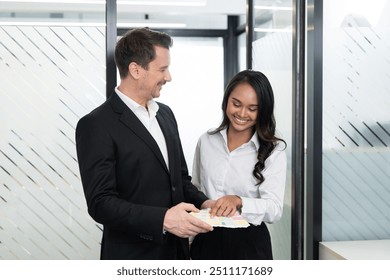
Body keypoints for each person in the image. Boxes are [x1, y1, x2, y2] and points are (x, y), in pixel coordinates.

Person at [75, 27, 214, 260]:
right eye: (163, 69)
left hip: (177, 254)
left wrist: (206, 203)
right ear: (136, 70)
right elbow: (101, 203)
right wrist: (163, 220)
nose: (168, 77)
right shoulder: (96, 124)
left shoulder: (166, 115)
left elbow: (179, 180)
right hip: (132, 257)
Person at [190, 69, 287, 260]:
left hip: (249, 245)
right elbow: (195, 190)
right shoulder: (207, 140)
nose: (242, 113)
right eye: (236, 104)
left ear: (263, 111)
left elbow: (274, 210)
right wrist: (191, 236)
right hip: (206, 238)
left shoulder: (274, 150)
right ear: (226, 100)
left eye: (252, 108)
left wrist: (239, 201)